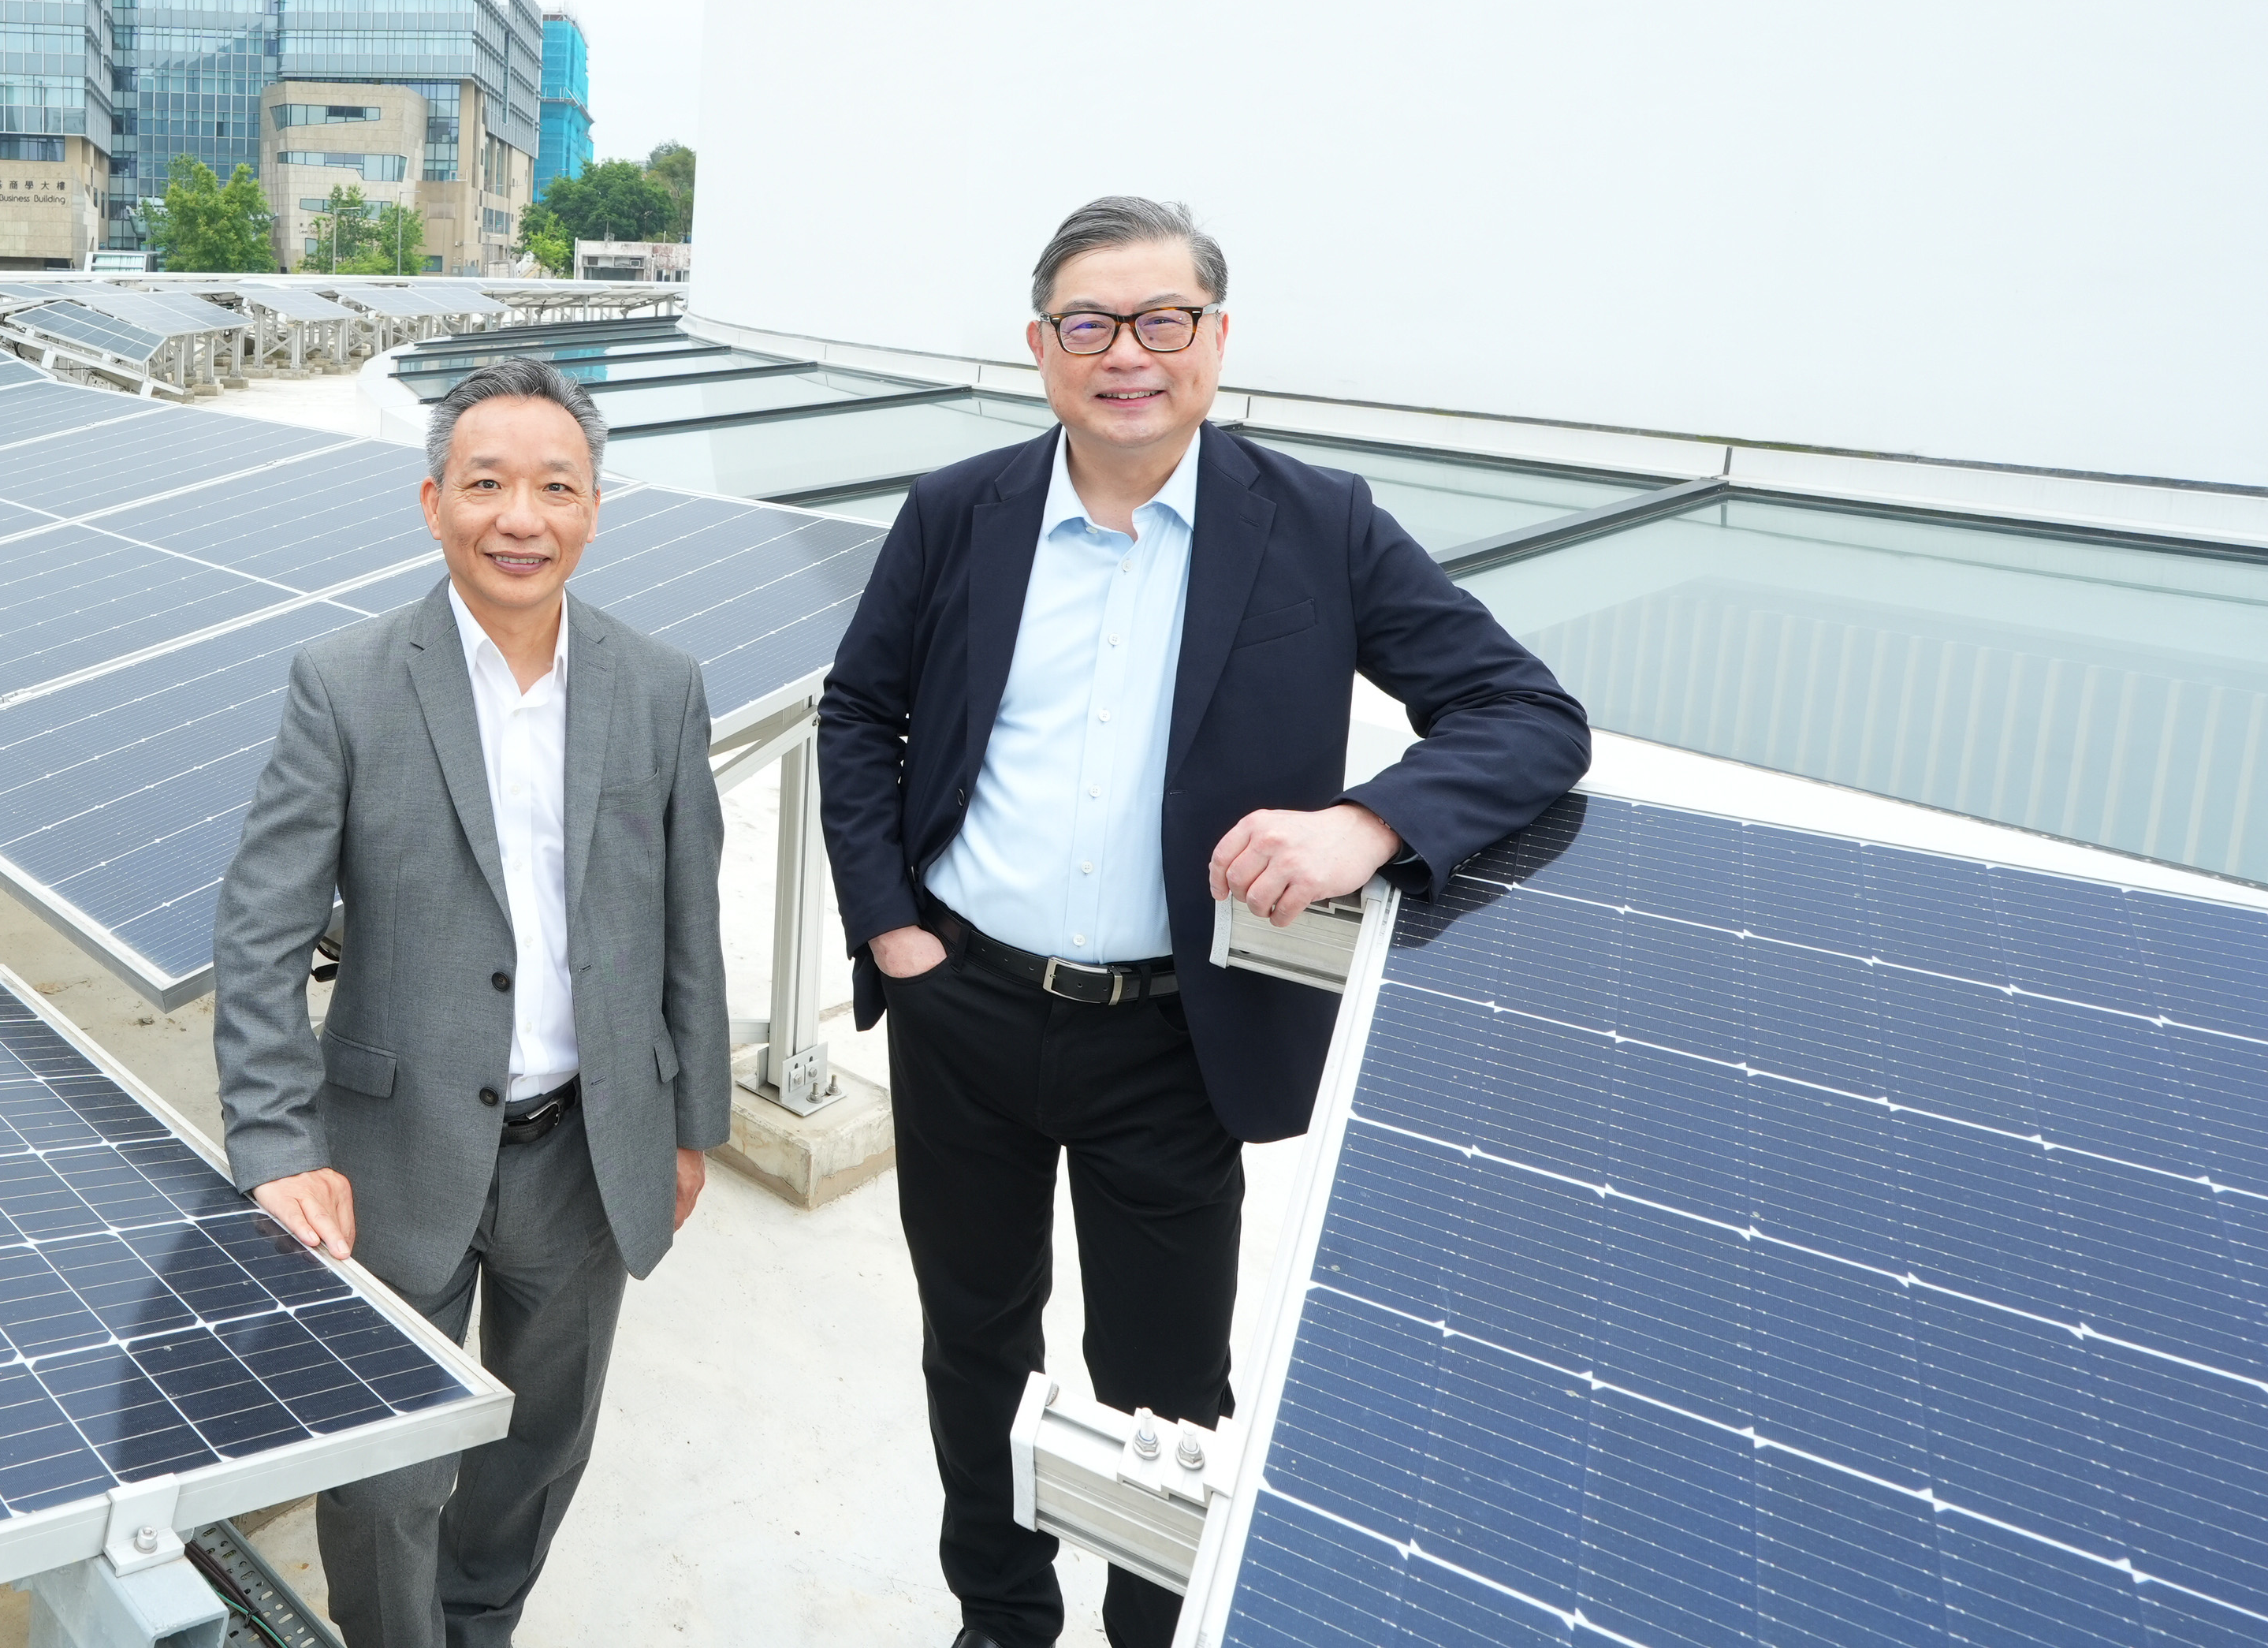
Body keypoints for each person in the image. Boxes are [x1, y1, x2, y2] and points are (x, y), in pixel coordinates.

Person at [820, 196, 1589, 1648]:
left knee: (1166, 1380)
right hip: (961, 1005)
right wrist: (890, 934)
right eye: (1091, 324)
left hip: (1175, 1037)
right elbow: (862, 713)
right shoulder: (958, 511)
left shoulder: (1317, 524)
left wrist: (1368, 821)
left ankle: (1151, 1630)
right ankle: (1001, 1616)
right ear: (1040, 347)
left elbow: (1529, 715)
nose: (1129, 353)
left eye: (1162, 320)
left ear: (1216, 340)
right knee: (973, 1343)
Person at [214, 354, 728, 1648]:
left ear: (595, 510)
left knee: (543, 1443)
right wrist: (278, 1145)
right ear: (433, 500)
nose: (522, 516)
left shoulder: (659, 688)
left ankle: (479, 1620)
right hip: (393, 1152)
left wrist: (690, 1122)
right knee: (382, 1471)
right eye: (488, 483)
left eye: (556, 487)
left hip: (586, 1147)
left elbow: (689, 923)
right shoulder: (343, 681)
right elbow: (263, 926)